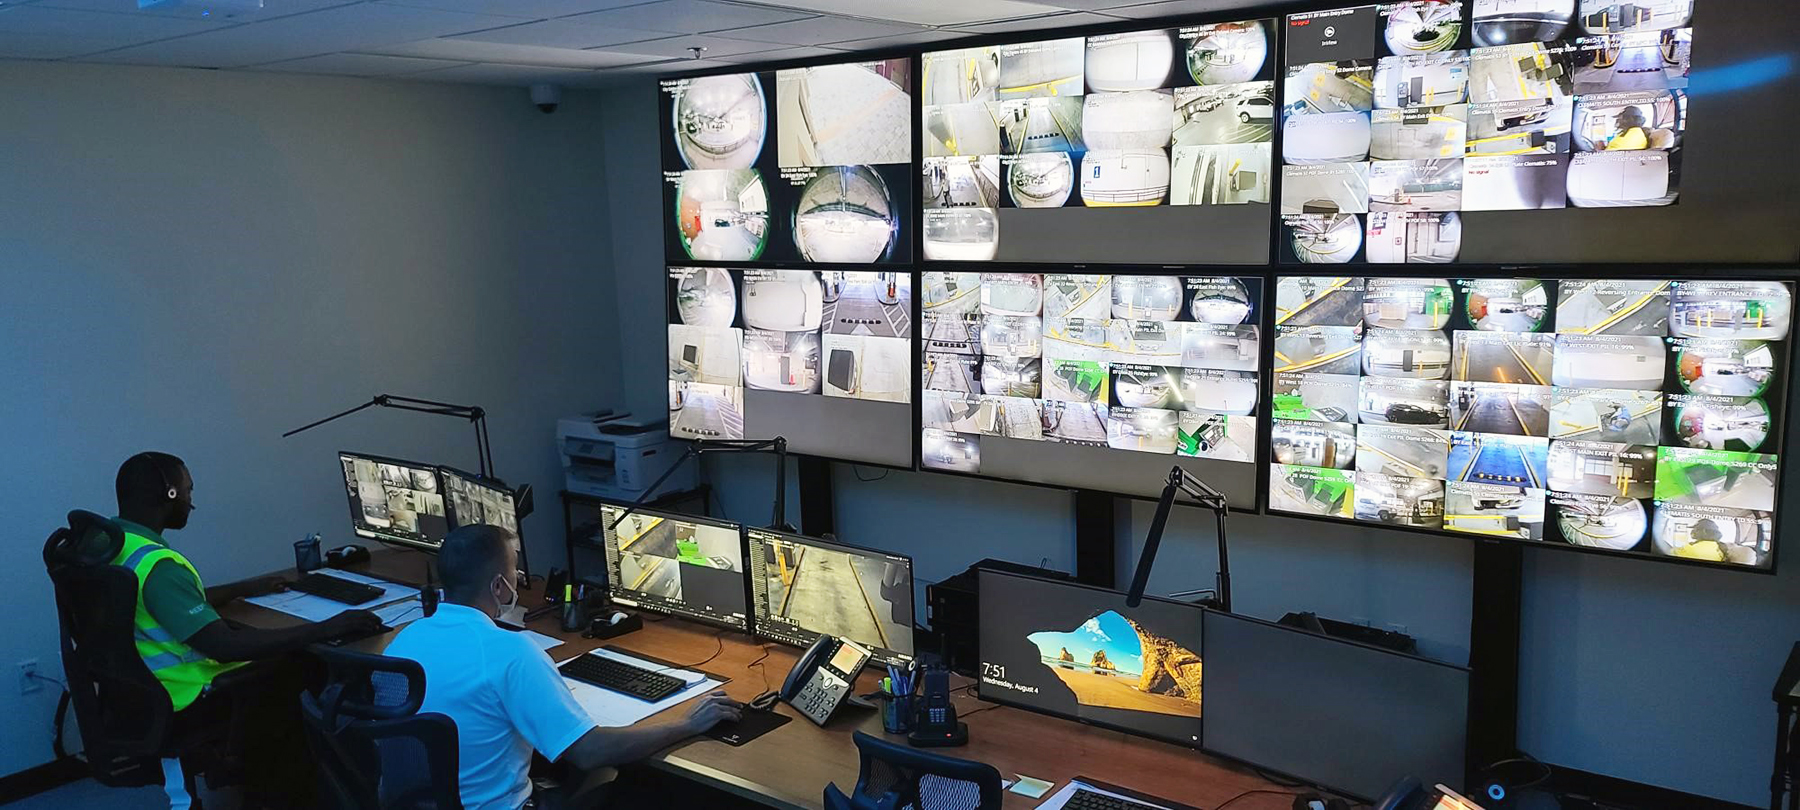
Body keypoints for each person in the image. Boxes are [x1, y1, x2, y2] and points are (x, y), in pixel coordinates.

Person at [386, 524, 741, 810]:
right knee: (625, 778)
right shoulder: (509, 652)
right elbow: (589, 752)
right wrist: (687, 724)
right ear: (498, 586)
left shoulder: (402, 642)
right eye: (515, 573)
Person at [106, 451, 384, 806]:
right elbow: (224, 646)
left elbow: (160, 602)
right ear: (169, 494)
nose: (192, 503)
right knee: (307, 665)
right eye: (188, 491)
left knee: (288, 657)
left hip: (139, 695)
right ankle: (277, 788)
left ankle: (253, 770)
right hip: (186, 698)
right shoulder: (160, 566)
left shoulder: (115, 544)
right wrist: (324, 628)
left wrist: (243, 589)